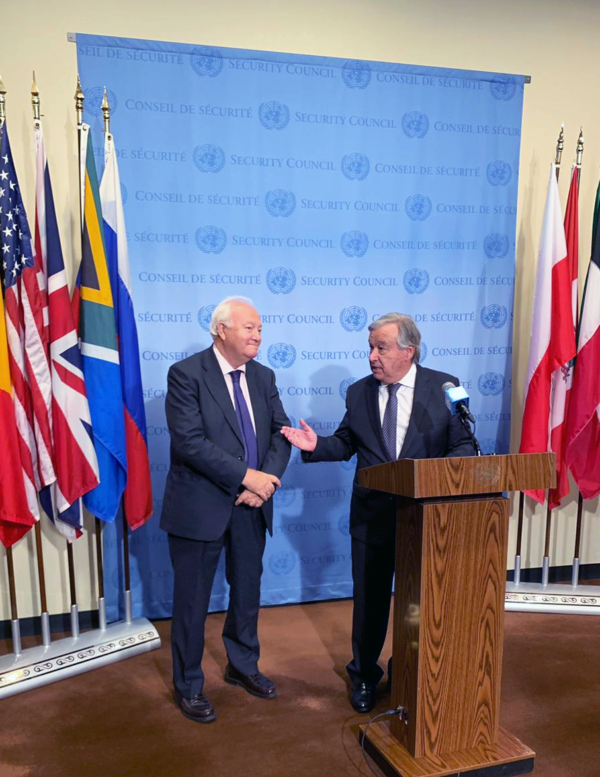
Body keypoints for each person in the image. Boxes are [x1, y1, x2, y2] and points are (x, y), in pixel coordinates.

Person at [281, 312, 476, 714]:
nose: (372, 356)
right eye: (370, 347)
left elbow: (461, 445)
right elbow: (346, 442)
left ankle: (411, 670)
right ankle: (365, 676)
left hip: (425, 518)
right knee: (369, 604)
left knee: (420, 602)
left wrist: (444, 476)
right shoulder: (359, 392)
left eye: (381, 348)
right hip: (371, 517)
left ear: (408, 351)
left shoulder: (444, 386)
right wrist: (317, 445)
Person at [161, 296, 291, 723]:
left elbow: (281, 433)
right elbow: (190, 442)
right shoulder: (186, 374)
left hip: (252, 505)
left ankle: (243, 665)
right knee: (192, 601)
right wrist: (247, 476)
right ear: (222, 330)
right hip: (200, 506)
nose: (258, 336)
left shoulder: (264, 376)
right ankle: (189, 685)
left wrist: (265, 484)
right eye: (249, 328)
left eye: (260, 329)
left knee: (247, 591)